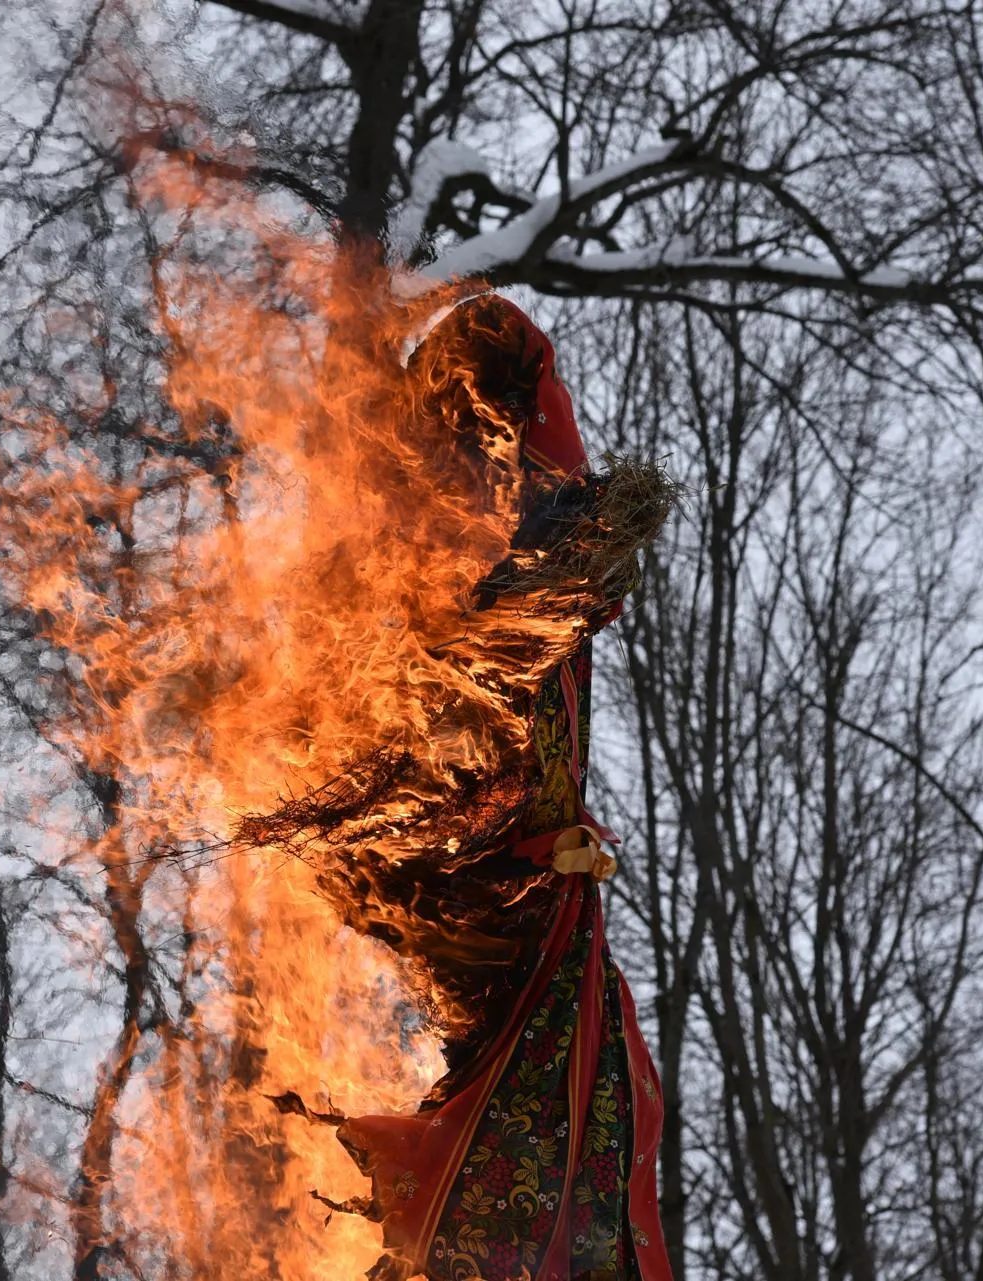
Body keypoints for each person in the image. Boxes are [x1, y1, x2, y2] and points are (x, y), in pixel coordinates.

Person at [330, 295, 673, 1281]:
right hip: (503, 889)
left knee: (560, 1120)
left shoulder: (525, 579)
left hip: (526, 896)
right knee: (553, 1116)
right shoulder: (457, 586)